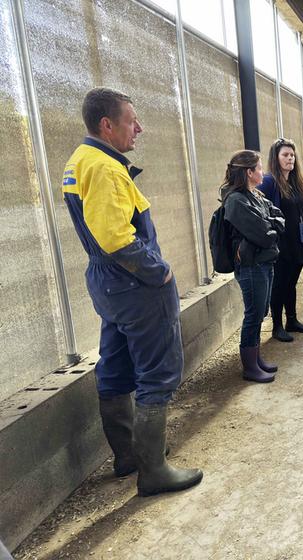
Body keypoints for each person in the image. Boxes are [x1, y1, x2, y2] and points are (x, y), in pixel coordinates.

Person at [62, 87, 201, 496]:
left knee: (116, 366)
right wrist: (159, 273)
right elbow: (115, 237)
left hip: (108, 285)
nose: (138, 128)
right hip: (134, 284)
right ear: (107, 125)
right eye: (130, 120)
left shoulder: (79, 160)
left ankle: (129, 456)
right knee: (157, 373)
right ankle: (153, 470)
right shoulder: (104, 168)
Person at [222, 150, 283, 384]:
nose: (262, 172)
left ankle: (255, 358)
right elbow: (264, 235)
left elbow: (278, 217)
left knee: (260, 312)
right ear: (249, 172)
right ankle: (250, 366)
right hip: (251, 265)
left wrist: (270, 225)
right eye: (259, 168)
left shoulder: (254, 195)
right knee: (253, 314)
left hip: (264, 261)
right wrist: (271, 227)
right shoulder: (236, 200)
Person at [259, 138, 303, 342]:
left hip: (296, 242)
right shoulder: (269, 181)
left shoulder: (295, 182)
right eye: (285, 155)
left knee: (291, 283)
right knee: (279, 284)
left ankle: (292, 320)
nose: (290, 158)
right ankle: (277, 326)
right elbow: (261, 213)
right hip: (280, 244)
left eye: (292, 155)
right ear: (276, 157)